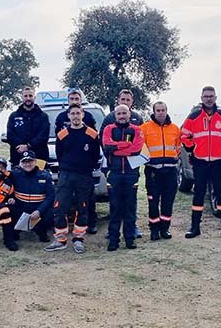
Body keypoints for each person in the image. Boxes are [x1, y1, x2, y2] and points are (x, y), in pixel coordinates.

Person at [47, 104, 101, 253]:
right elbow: (60, 154)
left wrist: (85, 168)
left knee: (82, 208)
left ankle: (78, 239)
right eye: (73, 114)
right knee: (59, 207)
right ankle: (60, 239)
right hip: (66, 175)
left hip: (84, 176)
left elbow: (95, 156)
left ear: (83, 115)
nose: (76, 116)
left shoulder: (92, 134)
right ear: (68, 116)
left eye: (78, 113)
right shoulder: (62, 134)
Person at [180, 86, 221, 239]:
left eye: (211, 96)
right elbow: (184, 136)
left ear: (215, 98)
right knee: (199, 194)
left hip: (218, 162)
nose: (208, 98)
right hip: (200, 162)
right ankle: (195, 227)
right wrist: (193, 149)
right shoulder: (193, 116)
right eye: (206, 96)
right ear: (201, 98)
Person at [100, 89, 145, 237]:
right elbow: (104, 142)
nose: (125, 102)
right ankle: (113, 231)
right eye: (123, 99)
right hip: (115, 167)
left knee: (131, 202)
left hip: (132, 167)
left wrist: (119, 148)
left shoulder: (138, 119)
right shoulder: (109, 119)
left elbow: (139, 144)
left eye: (128, 99)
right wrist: (114, 153)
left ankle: (132, 229)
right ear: (118, 100)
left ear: (132, 102)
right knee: (115, 202)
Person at [140, 101, 181, 241]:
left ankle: (165, 228)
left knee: (168, 201)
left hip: (170, 171)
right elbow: (140, 147)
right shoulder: (144, 128)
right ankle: (154, 229)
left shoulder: (175, 129)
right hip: (153, 171)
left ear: (166, 110)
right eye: (158, 110)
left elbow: (178, 147)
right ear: (154, 111)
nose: (161, 112)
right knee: (153, 201)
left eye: (163, 110)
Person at [10, 150, 55, 244]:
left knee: (51, 212)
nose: (27, 164)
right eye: (24, 162)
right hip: (21, 207)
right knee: (8, 209)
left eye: (30, 161)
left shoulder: (45, 176)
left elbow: (51, 196)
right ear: (20, 163)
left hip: (38, 207)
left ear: (35, 161)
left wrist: (39, 211)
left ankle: (41, 230)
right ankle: (16, 230)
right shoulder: (15, 174)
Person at [6, 87, 50, 166]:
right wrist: (21, 146)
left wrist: (28, 146)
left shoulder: (43, 116)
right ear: (22, 97)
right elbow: (10, 135)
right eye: (25, 96)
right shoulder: (13, 116)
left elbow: (43, 135)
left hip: (39, 157)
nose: (28, 98)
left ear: (34, 97)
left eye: (30, 96)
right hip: (17, 158)